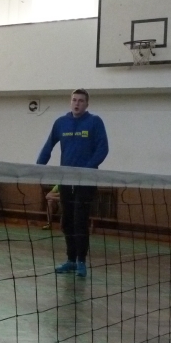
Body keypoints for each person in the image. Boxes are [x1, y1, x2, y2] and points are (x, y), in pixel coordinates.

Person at [37, 88, 108, 278]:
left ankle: (81, 261)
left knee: (80, 221)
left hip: (86, 180)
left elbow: (103, 149)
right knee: (67, 221)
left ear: (87, 104)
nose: (77, 103)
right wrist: (38, 168)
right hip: (66, 180)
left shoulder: (95, 122)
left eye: (81, 101)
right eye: (74, 100)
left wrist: (86, 169)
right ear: (70, 102)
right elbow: (48, 146)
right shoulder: (61, 123)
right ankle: (70, 260)